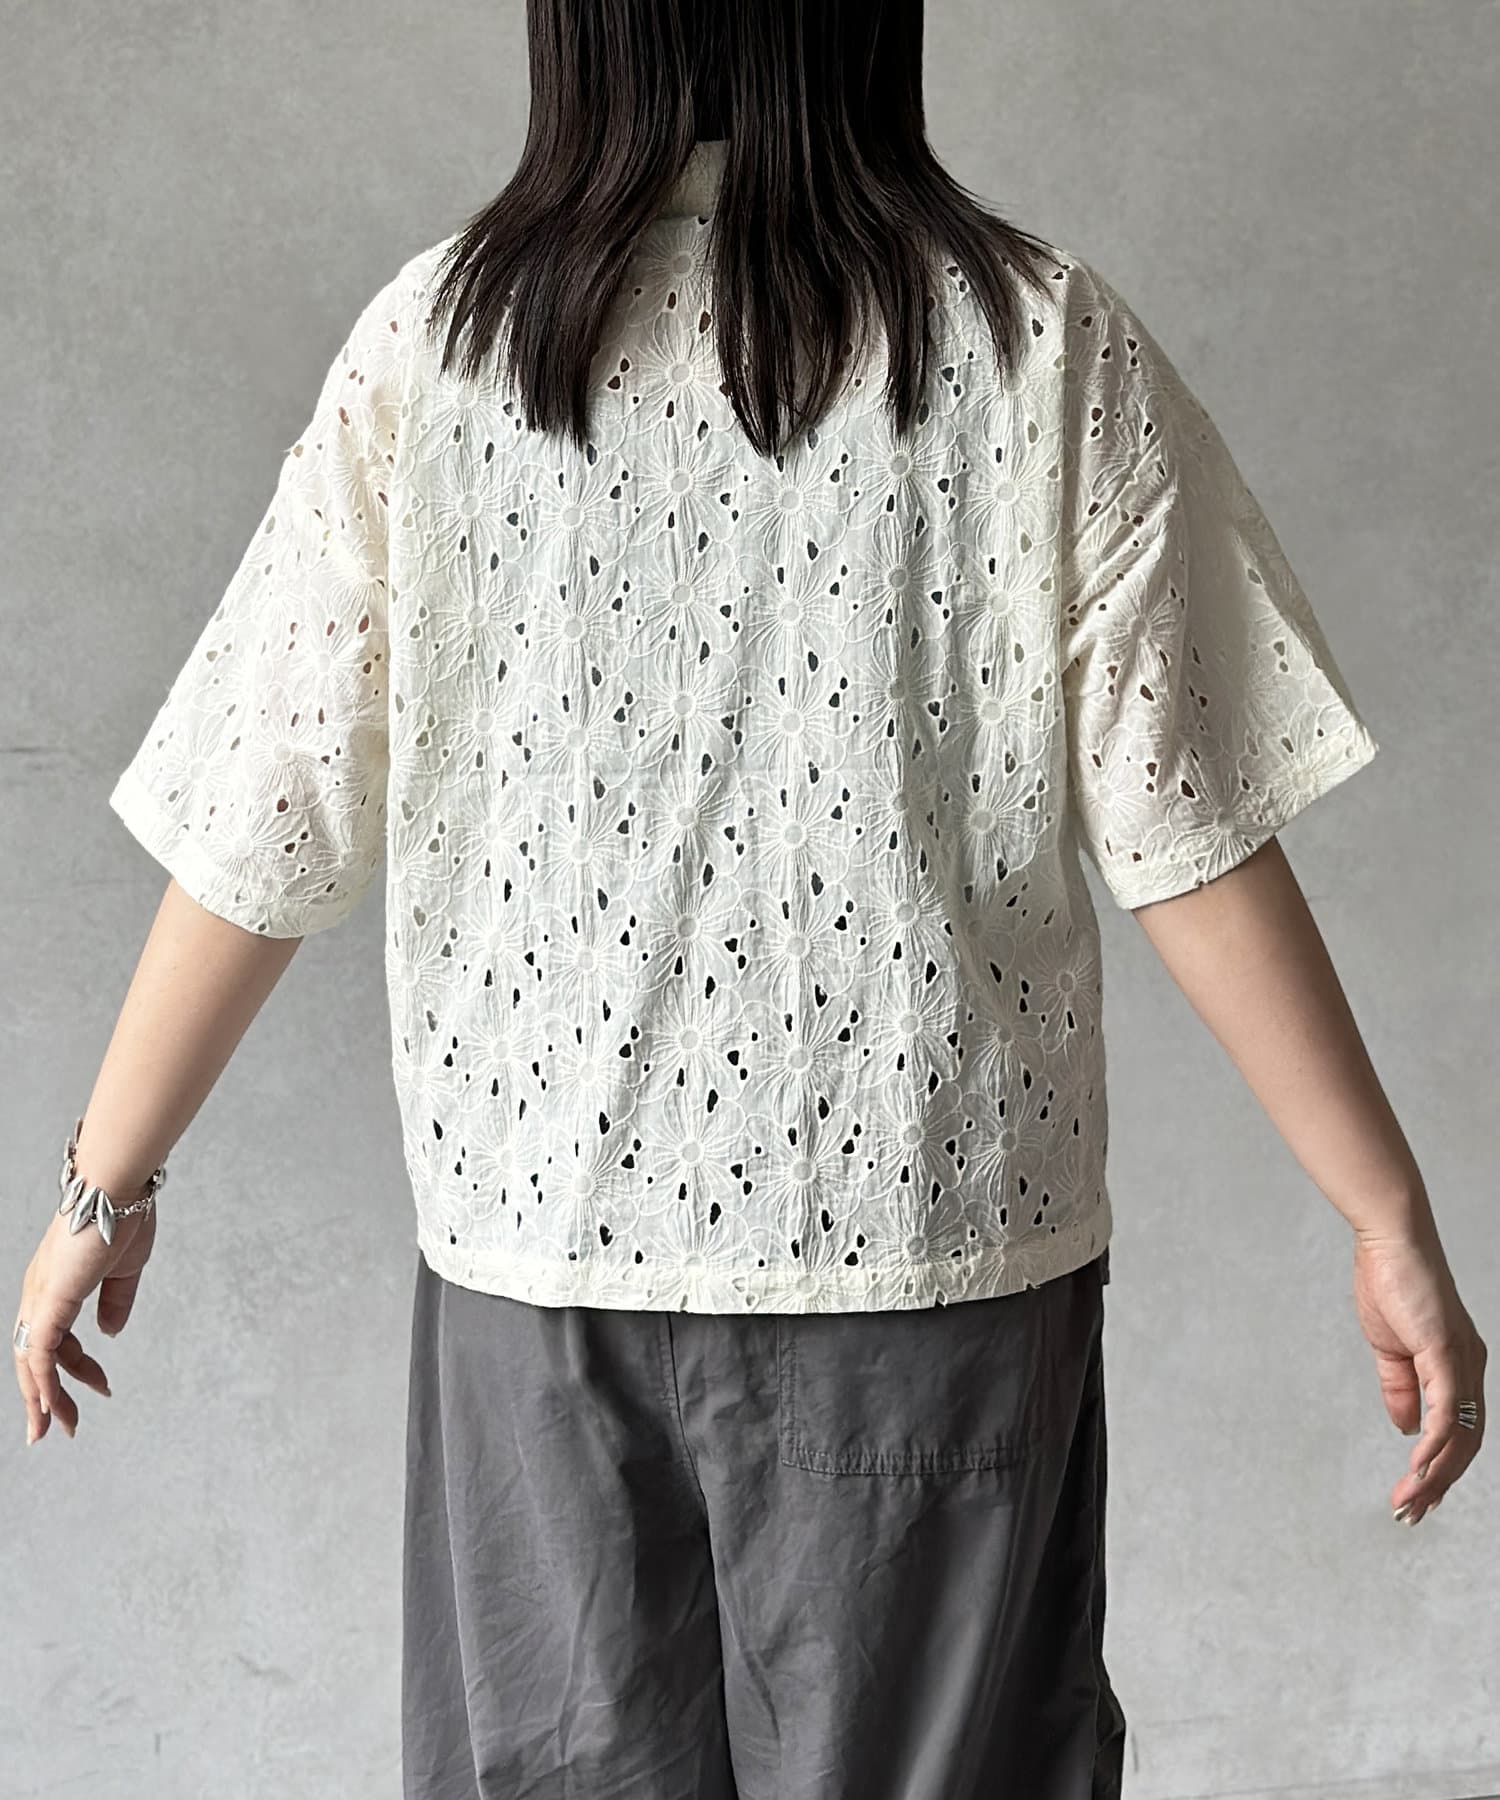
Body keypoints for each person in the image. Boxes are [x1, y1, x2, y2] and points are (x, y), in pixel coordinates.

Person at [12, 2, 1487, 1796]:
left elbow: (266, 814)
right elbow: (1193, 833)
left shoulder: (440, 349)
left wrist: (102, 1183)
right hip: (933, 1269)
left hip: (541, 1281)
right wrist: (1384, 1212)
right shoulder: (1035, 343)